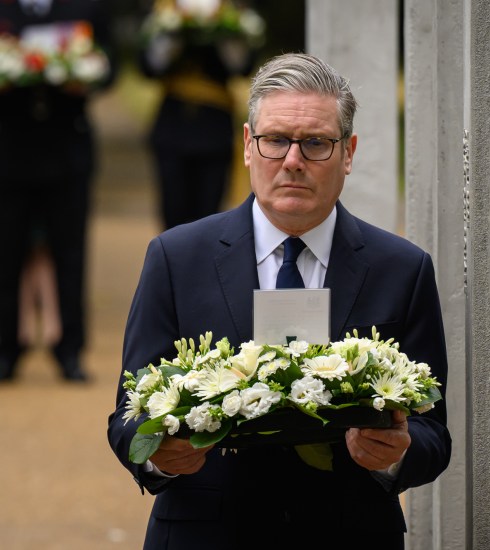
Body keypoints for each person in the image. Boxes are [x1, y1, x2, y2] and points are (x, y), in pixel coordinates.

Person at [107, 53, 451, 548]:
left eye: (316, 143)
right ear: (248, 145)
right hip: (207, 534)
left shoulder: (402, 269)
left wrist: (396, 452)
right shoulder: (176, 258)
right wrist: (158, 455)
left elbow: (433, 433)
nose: (293, 160)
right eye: (275, 140)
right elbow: (127, 415)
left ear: (348, 152)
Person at [0, 0, 116, 382]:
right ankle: (5, 349)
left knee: (71, 254)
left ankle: (69, 349)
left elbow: (110, 66)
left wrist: (88, 75)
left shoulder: (85, 6)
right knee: (6, 252)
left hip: (67, 152)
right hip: (10, 152)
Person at [138, 0, 259, 229]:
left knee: (209, 215)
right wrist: (173, 29)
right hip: (173, 125)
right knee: (172, 212)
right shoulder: (166, 7)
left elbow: (243, 66)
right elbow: (148, 67)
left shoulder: (230, 9)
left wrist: (223, 28)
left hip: (214, 127)